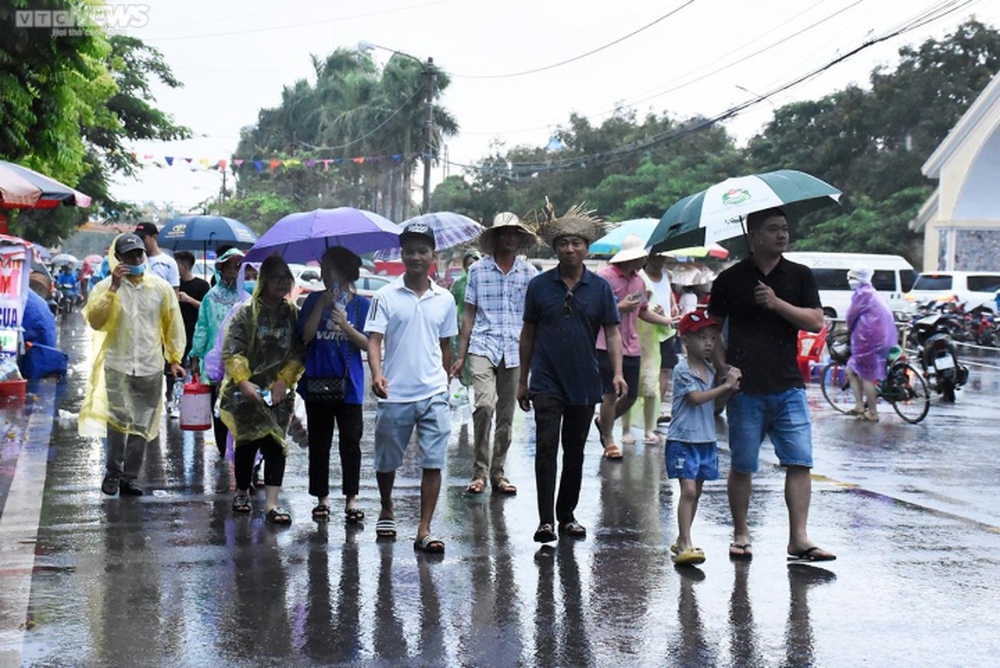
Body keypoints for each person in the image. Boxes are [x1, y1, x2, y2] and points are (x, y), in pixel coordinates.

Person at [708, 207, 836, 562]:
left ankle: (799, 537)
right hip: (745, 389)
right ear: (755, 236)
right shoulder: (730, 279)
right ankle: (741, 533)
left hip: (788, 385)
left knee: (799, 462)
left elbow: (814, 321)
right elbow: (711, 330)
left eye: (784, 228)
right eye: (773, 229)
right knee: (743, 464)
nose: (782, 235)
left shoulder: (799, 275)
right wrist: (723, 368)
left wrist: (777, 302)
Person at [517, 205, 624, 543]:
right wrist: (523, 380)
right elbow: (528, 333)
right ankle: (545, 520)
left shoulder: (600, 288)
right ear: (555, 249)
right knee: (546, 446)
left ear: (586, 248)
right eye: (563, 243)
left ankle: (567, 515)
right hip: (546, 379)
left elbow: (613, 332)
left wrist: (618, 373)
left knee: (575, 450)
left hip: (585, 379)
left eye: (576, 243)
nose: (570, 249)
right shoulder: (539, 286)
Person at [365, 221, 458, 553]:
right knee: (387, 460)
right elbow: (374, 341)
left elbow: (446, 345)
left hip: (433, 392)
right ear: (402, 255)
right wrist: (377, 374)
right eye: (410, 251)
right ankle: (387, 507)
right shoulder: (385, 296)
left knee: (433, 461)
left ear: (433, 255)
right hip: (396, 393)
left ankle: (424, 528)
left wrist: (446, 383)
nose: (416, 256)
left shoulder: (445, 299)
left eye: (422, 251)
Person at [79, 233, 185, 497]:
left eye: (139, 254)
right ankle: (113, 472)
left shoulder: (160, 288)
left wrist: (174, 359)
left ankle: (130, 476)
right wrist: (114, 288)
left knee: (141, 422)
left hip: (150, 366)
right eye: (129, 255)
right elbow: (95, 320)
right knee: (118, 420)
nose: (136, 259)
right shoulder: (105, 287)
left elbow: (172, 324)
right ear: (119, 259)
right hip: (118, 364)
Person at [451, 211, 537, 496]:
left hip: (514, 348)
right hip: (483, 345)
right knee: (484, 406)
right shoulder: (477, 271)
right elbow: (469, 315)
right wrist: (461, 356)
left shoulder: (528, 273)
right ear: (496, 238)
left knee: (505, 415)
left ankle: (498, 471)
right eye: (504, 233)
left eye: (514, 233)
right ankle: (479, 471)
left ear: (519, 238)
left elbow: (533, 318)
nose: (509, 238)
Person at [219, 254, 304, 523]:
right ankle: (242, 491)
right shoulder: (246, 313)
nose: (282, 283)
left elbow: (300, 350)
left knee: (276, 446)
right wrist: (244, 383)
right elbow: (233, 350)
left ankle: (271, 504)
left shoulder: (293, 315)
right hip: (246, 393)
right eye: (276, 278)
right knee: (247, 444)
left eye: (285, 278)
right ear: (264, 280)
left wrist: (283, 381)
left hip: (279, 393)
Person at [298, 247, 370, 523]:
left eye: (332, 270)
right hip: (317, 381)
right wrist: (320, 305)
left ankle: (352, 499)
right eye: (324, 270)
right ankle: (322, 498)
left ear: (346, 272)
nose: (327, 276)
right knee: (320, 442)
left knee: (351, 442)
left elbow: (369, 344)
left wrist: (346, 326)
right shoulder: (313, 299)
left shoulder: (361, 305)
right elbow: (304, 337)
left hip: (349, 385)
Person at [666, 309, 742, 565]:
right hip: (683, 439)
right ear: (685, 339)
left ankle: (682, 537)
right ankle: (685, 543)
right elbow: (696, 399)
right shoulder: (682, 369)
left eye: (712, 338)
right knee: (687, 490)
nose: (708, 343)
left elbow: (714, 405)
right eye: (701, 338)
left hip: (705, 439)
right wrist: (725, 386)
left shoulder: (710, 371)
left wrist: (729, 391)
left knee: (695, 492)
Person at [594, 234, 676, 460]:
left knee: (630, 395)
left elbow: (643, 311)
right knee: (610, 393)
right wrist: (619, 306)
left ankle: (604, 422)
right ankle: (609, 439)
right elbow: (594, 311)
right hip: (606, 344)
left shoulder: (639, 281)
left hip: (632, 344)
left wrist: (667, 320)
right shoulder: (604, 278)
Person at [190, 248, 248, 458]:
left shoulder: (246, 296)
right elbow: (202, 327)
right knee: (220, 407)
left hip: (242, 363)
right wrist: (195, 355)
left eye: (240, 265)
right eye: (232, 265)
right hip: (216, 365)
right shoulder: (211, 297)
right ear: (221, 268)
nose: (236, 270)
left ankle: (246, 456)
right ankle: (225, 452)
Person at [845, 264, 898, 422]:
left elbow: (851, 315)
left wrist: (849, 328)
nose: (850, 281)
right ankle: (859, 405)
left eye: (853, 278)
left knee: (865, 375)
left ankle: (872, 412)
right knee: (851, 370)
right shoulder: (872, 293)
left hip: (867, 340)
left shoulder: (862, 294)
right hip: (881, 339)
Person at [134, 222, 180, 292]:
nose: (140, 242)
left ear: (154, 237)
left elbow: (174, 291)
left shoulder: (169, 263)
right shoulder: (134, 260)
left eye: (143, 238)